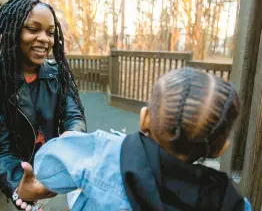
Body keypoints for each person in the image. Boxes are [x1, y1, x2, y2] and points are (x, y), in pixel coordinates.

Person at [30, 67, 252, 211]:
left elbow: (47, 165)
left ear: (145, 118)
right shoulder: (230, 203)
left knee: (82, 181)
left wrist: (70, 140)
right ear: (220, 148)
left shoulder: (104, 152)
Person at [0, 0, 86, 211]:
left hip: (33, 167)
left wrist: (74, 133)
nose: (45, 39)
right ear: (12, 32)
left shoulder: (58, 73)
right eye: (33, 29)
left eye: (50, 32)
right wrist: (19, 183)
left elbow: (73, 115)